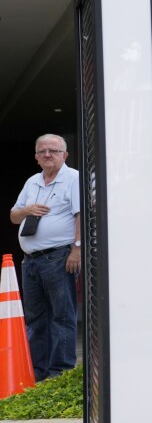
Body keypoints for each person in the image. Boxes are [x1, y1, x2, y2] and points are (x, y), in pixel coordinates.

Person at [9, 133, 81, 381]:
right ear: (36, 157)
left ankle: (60, 374)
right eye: (43, 151)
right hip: (31, 260)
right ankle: (38, 373)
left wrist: (77, 249)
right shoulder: (32, 181)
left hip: (59, 257)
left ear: (65, 155)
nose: (48, 154)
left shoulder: (73, 178)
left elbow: (81, 215)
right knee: (36, 319)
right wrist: (27, 210)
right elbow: (14, 216)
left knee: (61, 316)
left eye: (53, 150)